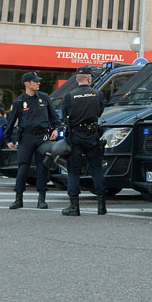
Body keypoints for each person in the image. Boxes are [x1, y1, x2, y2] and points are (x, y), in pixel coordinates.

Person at [5, 72, 60, 209]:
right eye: (35, 81)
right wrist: (8, 139)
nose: (38, 83)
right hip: (26, 138)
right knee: (23, 167)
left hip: (43, 137)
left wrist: (56, 129)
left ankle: (41, 198)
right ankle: (18, 198)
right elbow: (11, 122)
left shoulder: (45, 98)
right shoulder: (18, 102)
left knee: (43, 168)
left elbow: (54, 117)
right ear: (27, 83)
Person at [60, 66, 107, 216]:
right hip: (92, 135)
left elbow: (64, 116)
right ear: (89, 78)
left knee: (74, 170)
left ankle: (74, 207)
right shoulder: (97, 94)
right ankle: (101, 206)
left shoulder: (69, 96)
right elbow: (99, 112)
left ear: (77, 79)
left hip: (75, 136)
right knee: (96, 168)